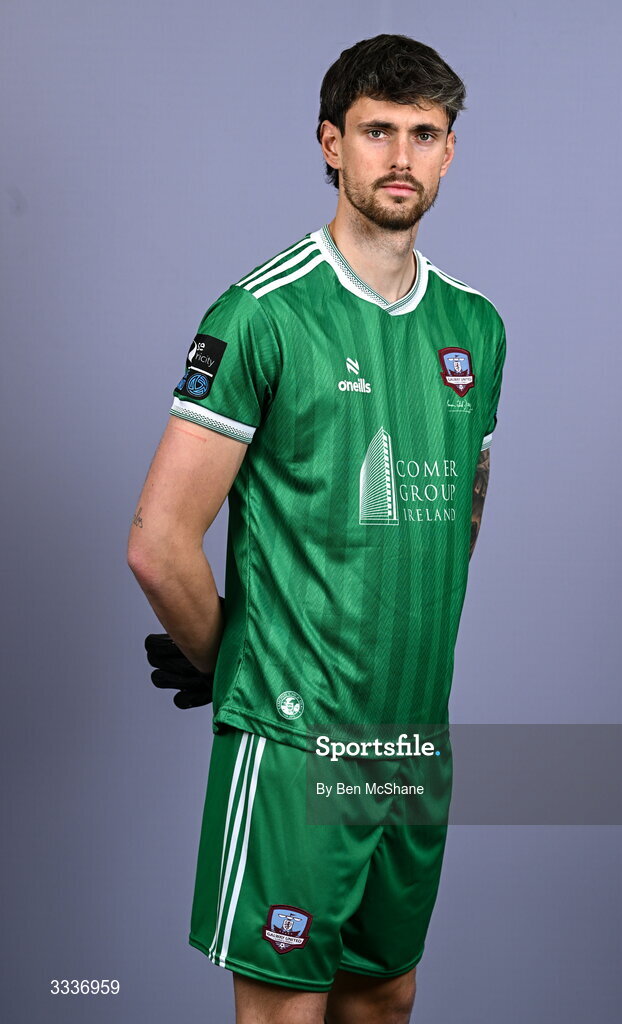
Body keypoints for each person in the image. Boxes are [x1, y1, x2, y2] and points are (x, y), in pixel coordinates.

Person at [127, 32, 506, 1024]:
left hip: (413, 734)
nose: (400, 156)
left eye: (425, 134)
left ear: (449, 153)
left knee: (384, 991)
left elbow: (460, 503)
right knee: (285, 1007)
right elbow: (160, 539)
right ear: (330, 143)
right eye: (377, 130)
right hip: (301, 741)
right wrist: (234, 660)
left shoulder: (476, 326)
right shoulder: (262, 313)